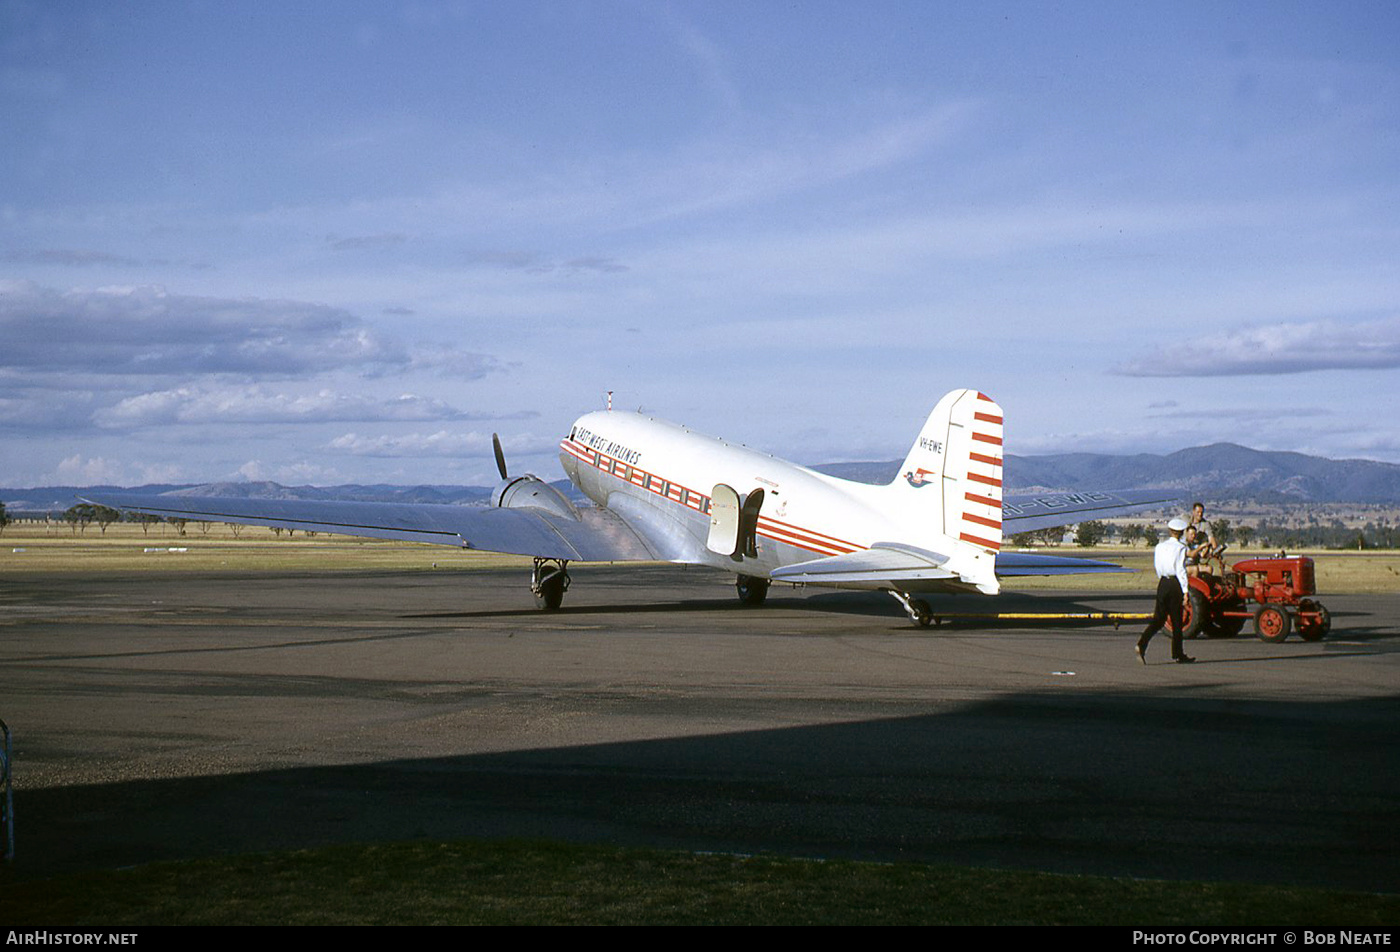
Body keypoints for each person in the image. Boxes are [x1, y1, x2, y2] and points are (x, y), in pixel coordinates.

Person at [1137, 517, 1195, 664]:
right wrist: (1185, 591)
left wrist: (1163, 579)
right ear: (1181, 533)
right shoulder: (1181, 548)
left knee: (1158, 619)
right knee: (1176, 621)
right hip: (1174, 584)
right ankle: (1178, 653)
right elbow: (1180, 570)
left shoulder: (1160, 547)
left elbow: (1158, 566)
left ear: (1170, 531)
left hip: (1163, 582)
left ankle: (1142, 644)